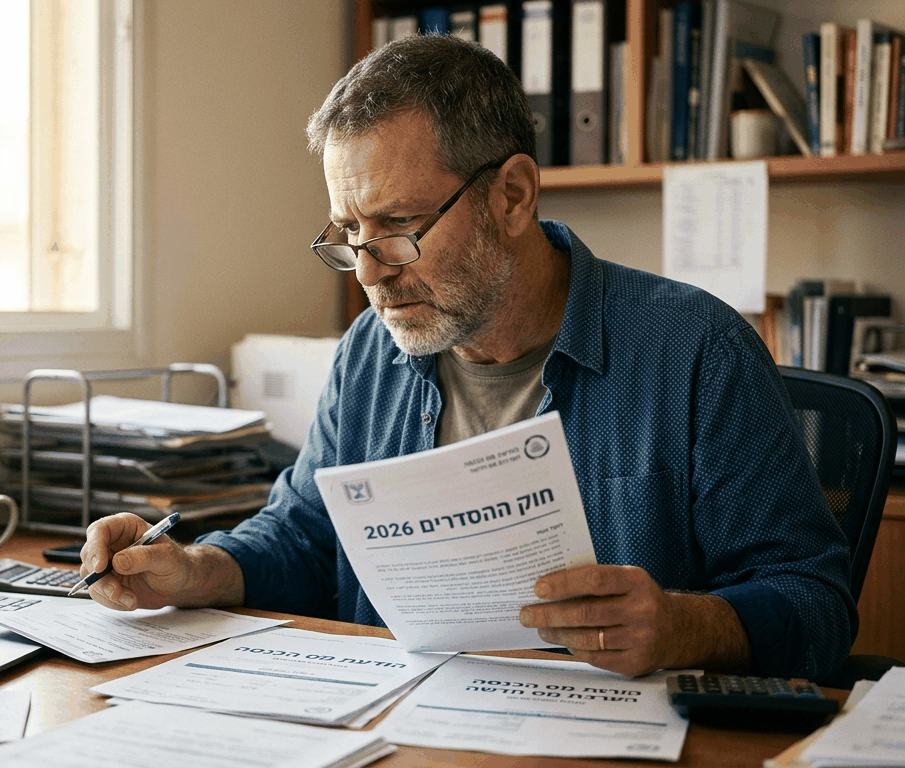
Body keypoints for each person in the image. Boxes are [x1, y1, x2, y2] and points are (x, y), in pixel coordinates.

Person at [79, 34, 855, 680]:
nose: (371, 271)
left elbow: (816, 601)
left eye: (398, 224)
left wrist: (683, 626)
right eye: (349, 233)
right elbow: (306, 538)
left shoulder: (697, 354)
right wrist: (199, 570)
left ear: (512, 196)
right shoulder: (369, 355)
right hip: (397, 731)